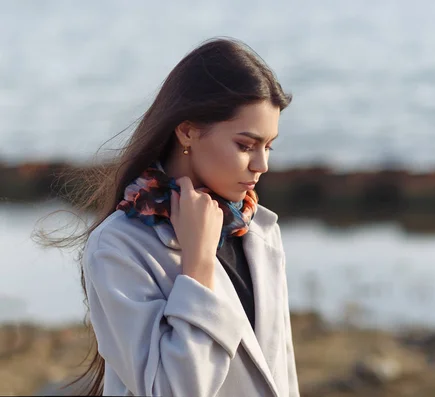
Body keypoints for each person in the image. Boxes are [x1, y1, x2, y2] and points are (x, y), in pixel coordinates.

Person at [63, 37, 299, 396]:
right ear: (187, 130)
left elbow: (281, 377)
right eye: (245, 145)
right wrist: (199, 263)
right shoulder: (117, 246)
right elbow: (172, 389)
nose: (261, 165)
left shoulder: (258, 231)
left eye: (268, 146)